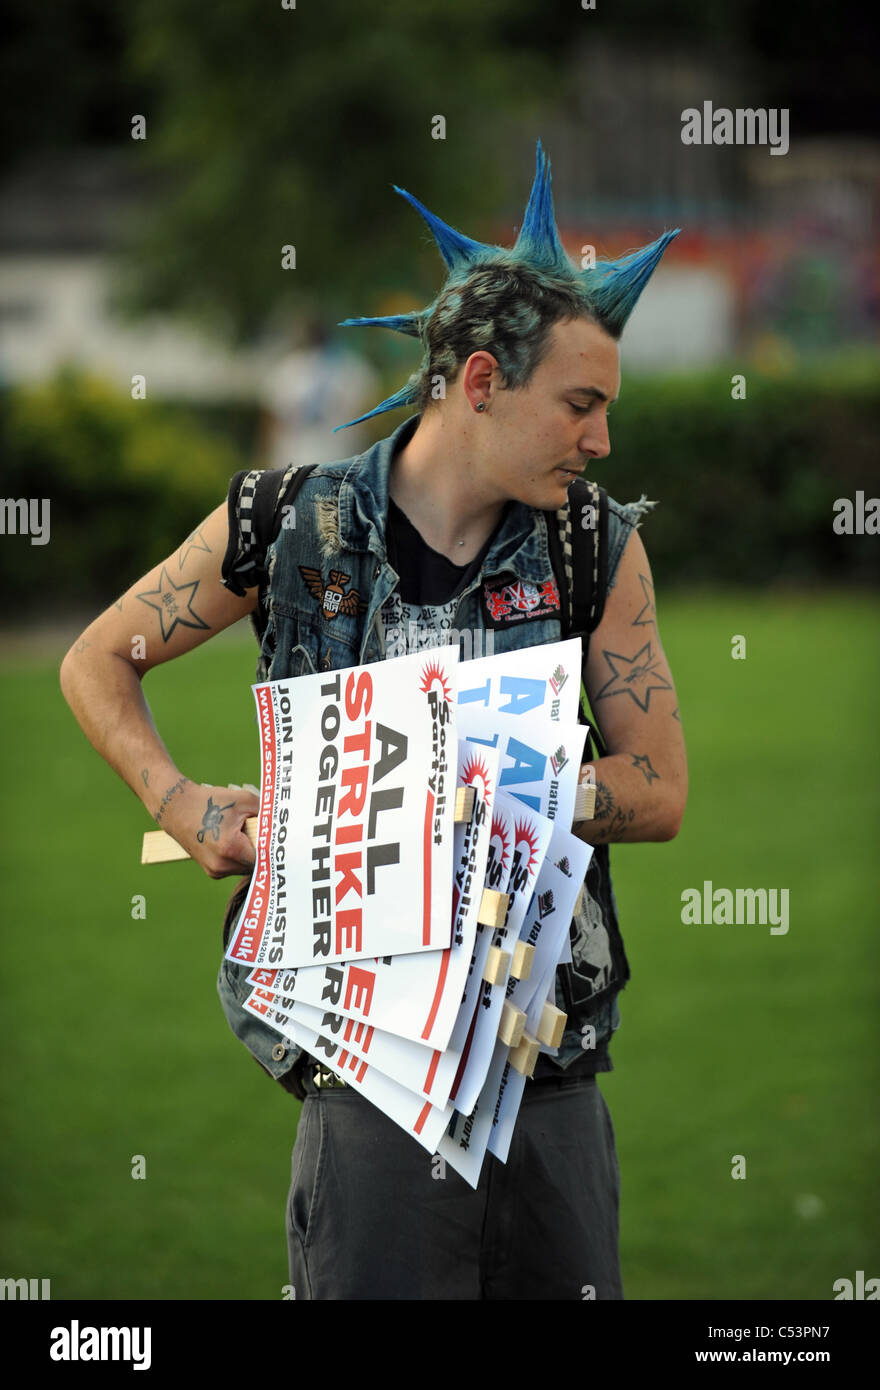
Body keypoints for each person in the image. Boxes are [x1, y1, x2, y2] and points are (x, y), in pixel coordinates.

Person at [60, 143, 688, 1301]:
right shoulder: (286, 519)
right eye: (580, 404)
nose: (599, 439)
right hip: (361, 1080)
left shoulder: (591, 543)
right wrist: (180, 803)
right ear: (483, 382)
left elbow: (658, 789)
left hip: (547, 1075)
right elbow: (100, 659)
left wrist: (510, 784)